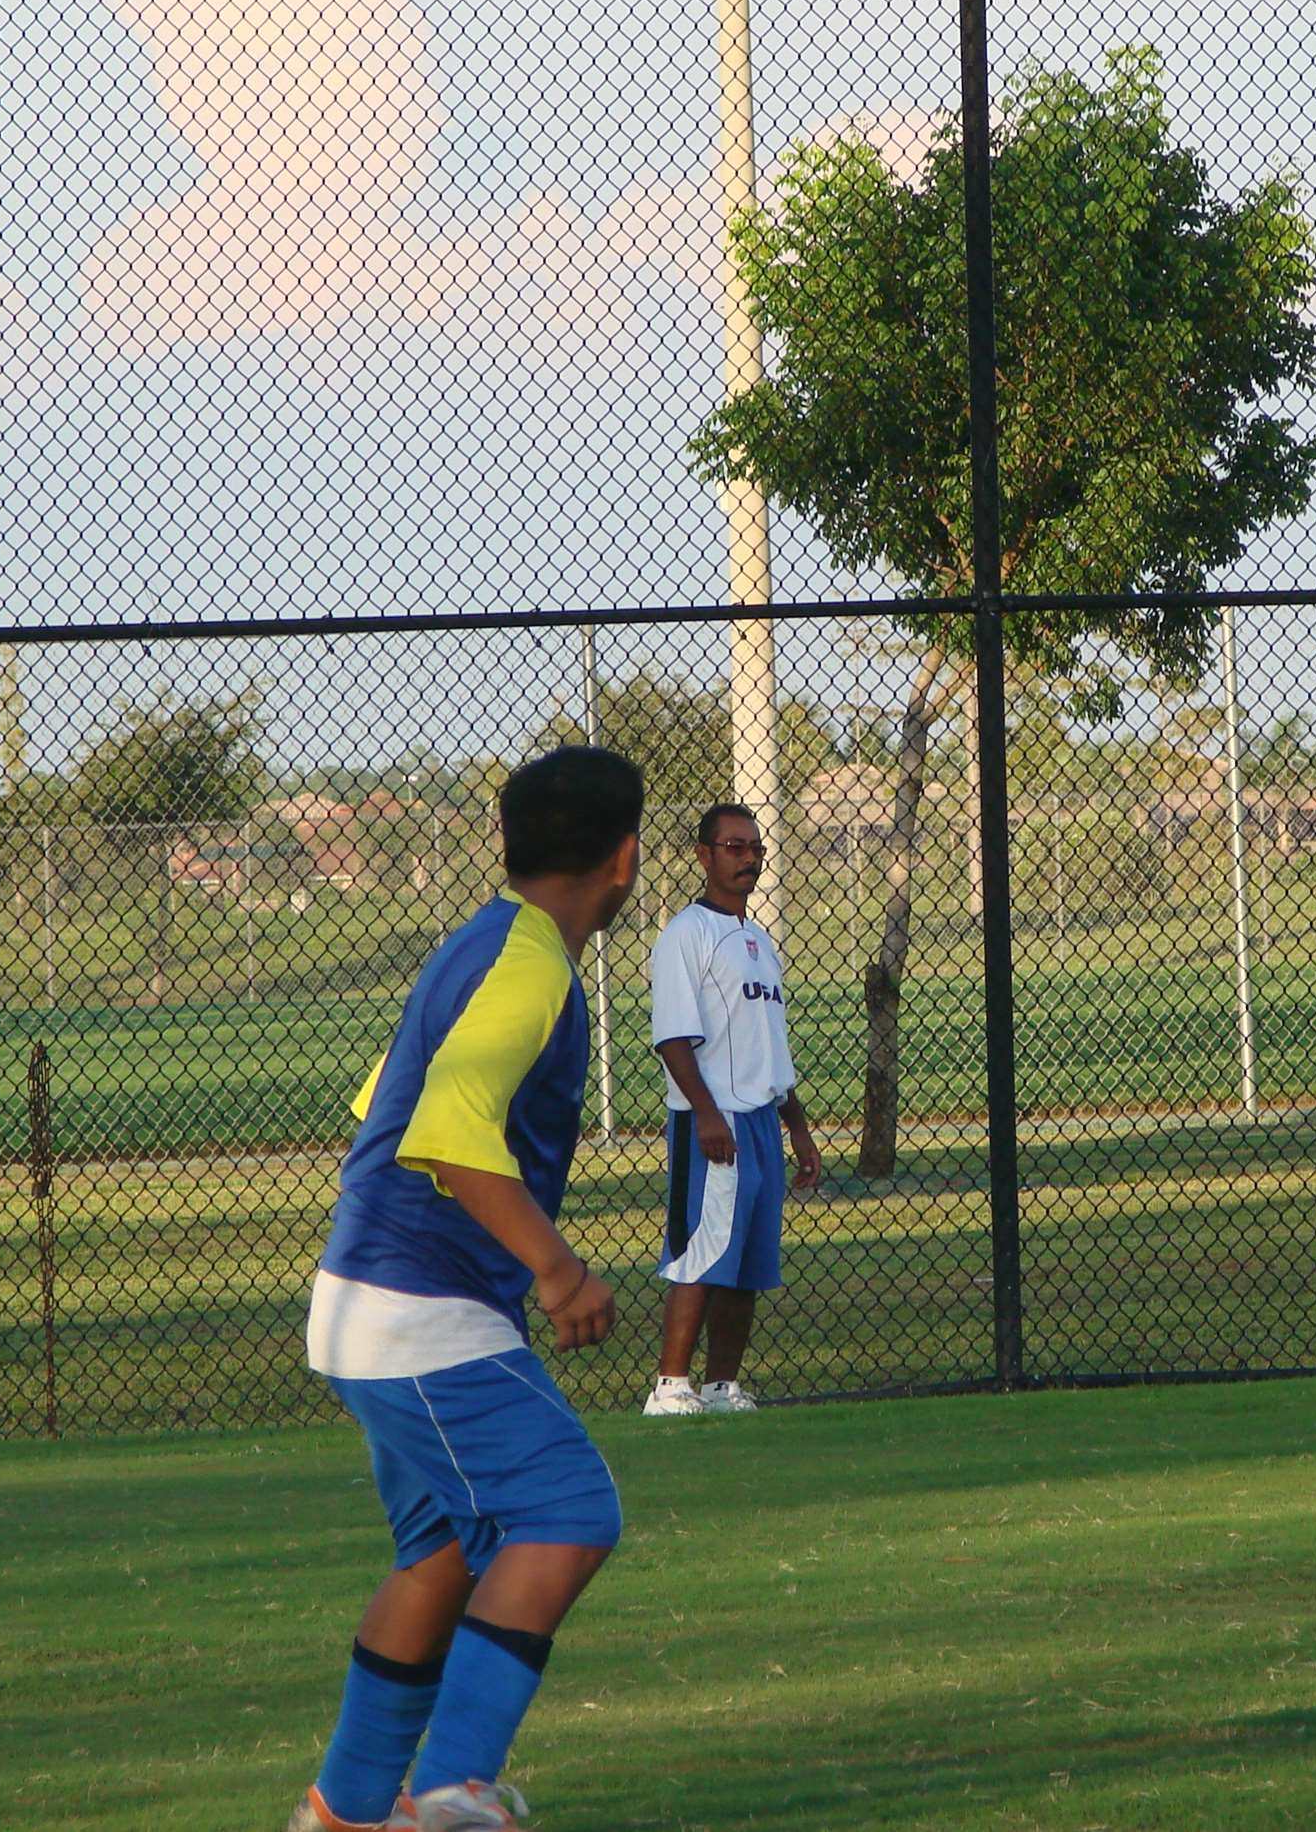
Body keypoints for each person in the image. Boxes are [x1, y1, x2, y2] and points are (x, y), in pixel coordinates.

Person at [286, 746, 641, 1832]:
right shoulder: (529, 964)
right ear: (626, 860)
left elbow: (386, 1107)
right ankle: (444, 1798)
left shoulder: (476, 945)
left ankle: (343, 1812)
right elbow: (444, 1133)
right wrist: (555, 1267)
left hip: (359, 1297)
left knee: (439, 1555)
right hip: (416, 1309)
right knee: (568, 1513)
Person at [640, 803, 822, 1417]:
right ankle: (671, 1386)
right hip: (713, 1122)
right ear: (704, 855)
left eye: (754, 848)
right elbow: (672, 1037)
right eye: (733, 847)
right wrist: (708, 1113)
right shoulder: (686, 934)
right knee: (704, 1250)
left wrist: (796, 1127)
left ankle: (720, 1387)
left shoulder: (759, 941)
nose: (748, 858)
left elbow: (768, 1041)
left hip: (762, 1122)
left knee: (746, 1258)